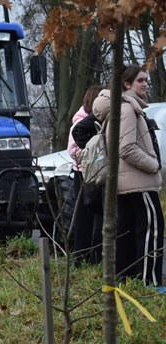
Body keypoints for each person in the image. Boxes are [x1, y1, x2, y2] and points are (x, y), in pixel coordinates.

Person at [91, 66, 164, 291]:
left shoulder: (120, 107)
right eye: (140, 80)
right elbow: (127, 148)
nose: (145, 84)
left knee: (127, 231)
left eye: (146, 80)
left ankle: (127, 281)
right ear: (126, 84)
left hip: (124, 182)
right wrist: (153, 165)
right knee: (152, 229)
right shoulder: (127, 109)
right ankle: (150, 283)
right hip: (139, 182)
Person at [69, 85, 104, 264]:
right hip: (83, 174)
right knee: (85, 217)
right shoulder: (80, 122)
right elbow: (73, 150)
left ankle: (93, 257)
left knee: (96, 216)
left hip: (95, 173)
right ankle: (82, 257)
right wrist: (93, 155)